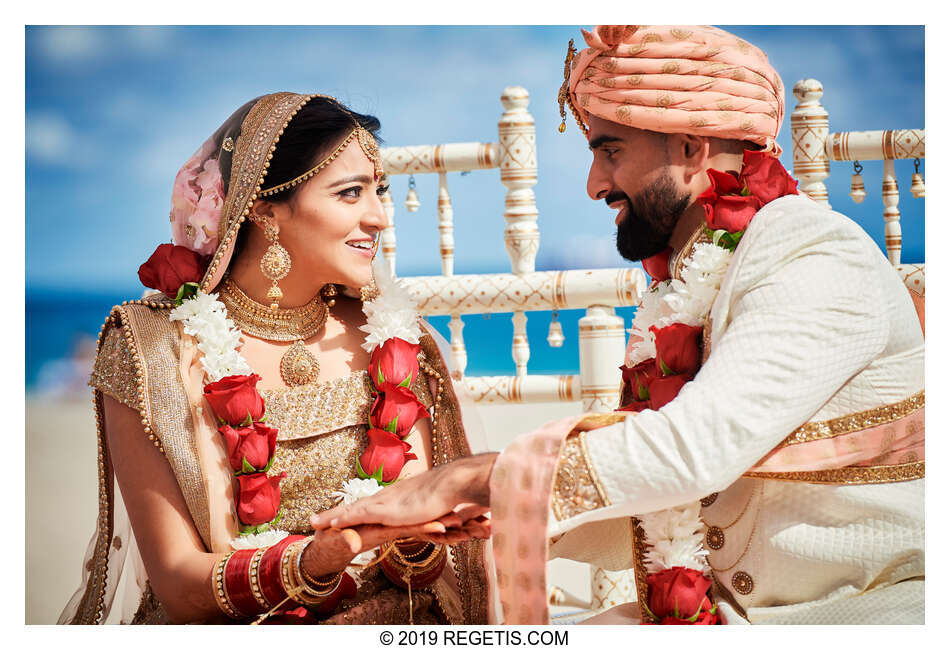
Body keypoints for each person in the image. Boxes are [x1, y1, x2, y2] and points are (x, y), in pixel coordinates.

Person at [314, 26, 925, 625]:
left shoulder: (815, 255)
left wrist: (477, 476)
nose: (593, 185)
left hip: (859, 611)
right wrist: (493, 505)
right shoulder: (692, 276)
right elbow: (670, 493)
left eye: (610, 152)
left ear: (690, 147)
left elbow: (692, 448)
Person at [60, 93, 493, 625]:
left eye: (378, 192)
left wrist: (415, 540)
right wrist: (315, 560)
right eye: (350, 193)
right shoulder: (150, 349)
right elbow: (176, 583)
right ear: (263, 208)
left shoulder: (398, 338)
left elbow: (422, 557)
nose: (380, 216)